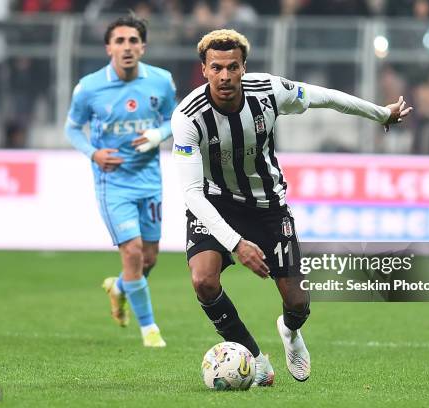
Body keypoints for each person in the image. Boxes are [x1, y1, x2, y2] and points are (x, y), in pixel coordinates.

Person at [171, 29, 412, 385]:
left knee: (297, 302)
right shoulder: (188, 117)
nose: (225, 76)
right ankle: (254, 360)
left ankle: (289, 330)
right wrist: (237, 243)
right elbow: (192, 193)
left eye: (233, 67)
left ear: (244, 68)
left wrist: (380, 114)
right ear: (204, 70)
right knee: (203, 280)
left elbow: (325, 97)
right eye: (216, 67)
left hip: (268, 205)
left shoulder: (267, 91)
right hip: (216, 202)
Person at [65, 12, 176, 347]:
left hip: (150, 179)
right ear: (108, 48)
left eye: (133, 41)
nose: (126, 47)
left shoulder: (162, 81)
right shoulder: (89, 87)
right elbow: (72, 128)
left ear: (142, 47)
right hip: (112, 182)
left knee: (148, 259)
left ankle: (120, 288)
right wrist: (94, 153)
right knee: (132, 252)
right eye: (119, 41)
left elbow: (175, 118)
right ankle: (150, 329)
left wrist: (159, 133)